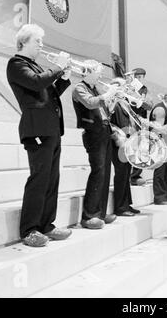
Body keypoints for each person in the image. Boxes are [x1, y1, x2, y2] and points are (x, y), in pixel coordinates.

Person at [6, 24, 72, 247]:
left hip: (51, 128)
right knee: (39, 179)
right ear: (23, 42)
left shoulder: (35, 65)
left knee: (52, 179)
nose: (42, 46)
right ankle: (29, 229)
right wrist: (58, 69)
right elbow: (36, 83)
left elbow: (49, 93)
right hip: (36, 130)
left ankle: (47, 225)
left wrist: (63, 77)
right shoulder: (16, 64)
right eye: (38, 41)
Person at [72, 60, 120, 229]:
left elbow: (104, 109)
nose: (100, 75)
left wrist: (113, 99)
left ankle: (99, 212)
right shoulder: (79, 88)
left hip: (104, 130)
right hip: (93, 133)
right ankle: (89, 215)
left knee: (106, 172)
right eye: (98, 72)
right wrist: (108, 94)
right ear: (89, 72)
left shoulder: (95, 88)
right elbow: (91, 103)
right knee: (98, 171)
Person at [110, 80, 142, 217]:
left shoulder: (125, 104)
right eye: (124, 87)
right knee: (121, 174)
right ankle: (120, 207)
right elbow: (110, 123)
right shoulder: (114, 103)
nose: (126, 89)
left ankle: (127, 204)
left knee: (126, 174)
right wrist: (119, 138)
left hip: (129, 143)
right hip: (119, 144)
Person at [149, 93, 167, 205]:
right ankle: (159, 197)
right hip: (158, 143)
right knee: (160, 170)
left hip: (165, 142)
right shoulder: (160, 109)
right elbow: (158, 129)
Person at [128, 68, 151, 186]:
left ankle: (136, 175)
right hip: (129, 119)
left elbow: (147, 105)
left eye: (141, 77)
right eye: (137, 77)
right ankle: (131, 176)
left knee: (141, 147)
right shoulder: (128, 86)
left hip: (140, 120)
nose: (139, 79)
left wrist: (143, 100)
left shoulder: (144, 88)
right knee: (133, 147)